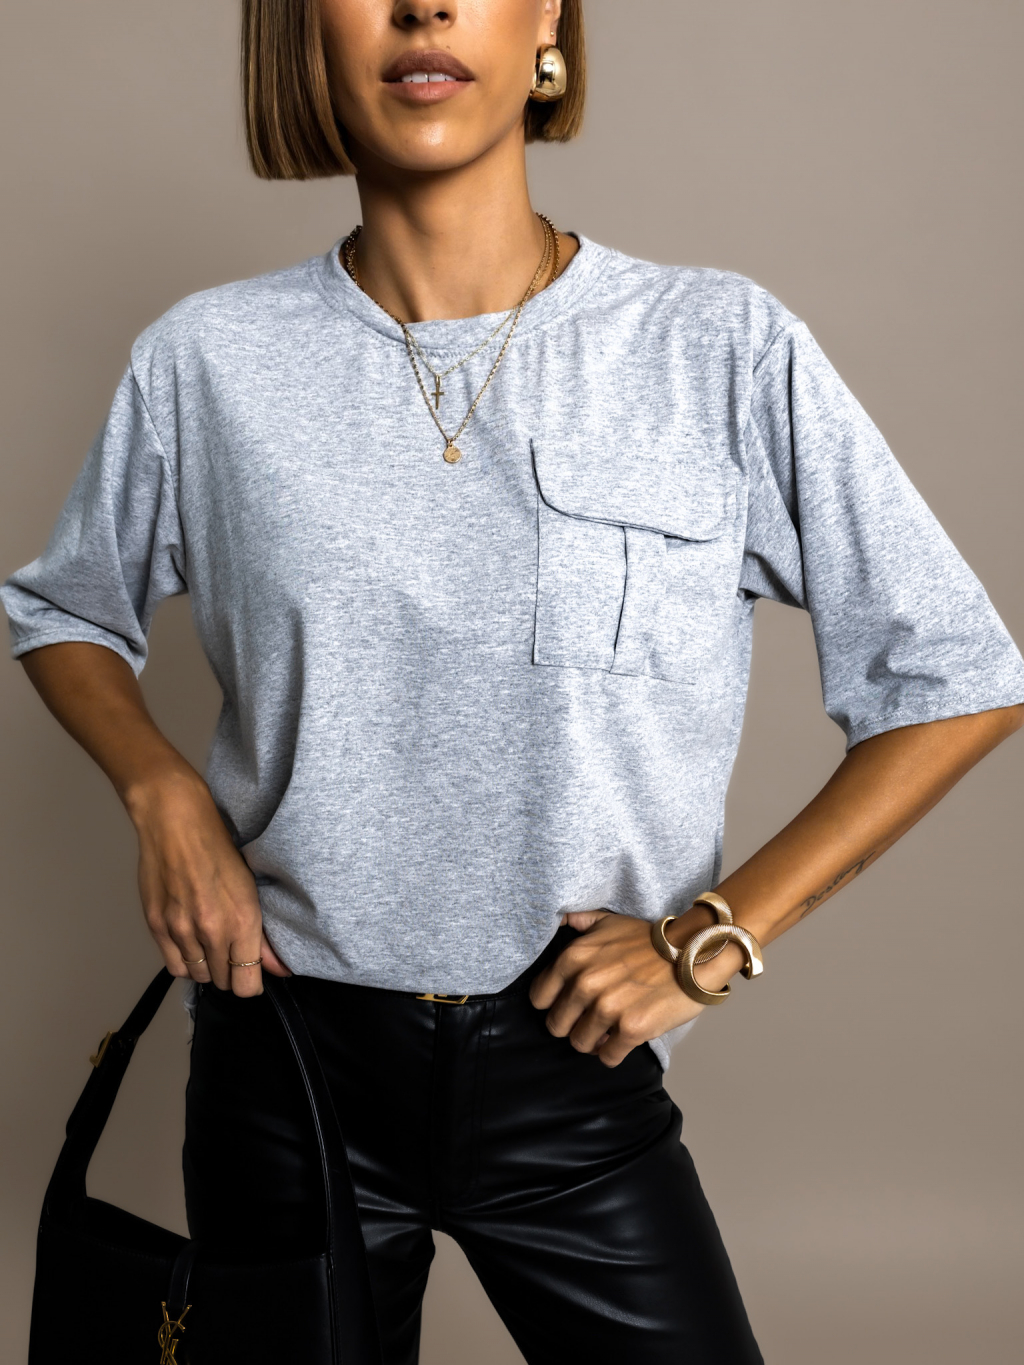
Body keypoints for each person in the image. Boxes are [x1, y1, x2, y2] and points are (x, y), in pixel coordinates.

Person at [4, 2, 1023, 1361]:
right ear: (304, 29)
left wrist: (716, 934)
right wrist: (162, 792)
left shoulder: (715, 346)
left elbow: (958, 674)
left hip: (573, 1065)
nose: (424, 4)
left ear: (547, 16)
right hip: (288, 1063)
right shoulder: (208, 361)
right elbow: (62, 608)